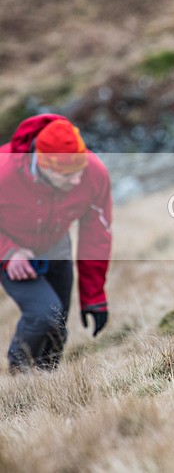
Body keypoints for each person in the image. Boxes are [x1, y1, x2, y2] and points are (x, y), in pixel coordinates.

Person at [0, 114, 112, 373]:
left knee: (58, 326)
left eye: (79, 170)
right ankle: (20, 379)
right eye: (67, 176)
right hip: (13, 252)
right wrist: (9, 252)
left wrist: (94, 297)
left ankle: (46, 389)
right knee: (44, 314)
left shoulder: (94, 174)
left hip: (55, 246)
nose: (76, 181)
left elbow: (96, 234)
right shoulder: (5, 170)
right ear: (44, 166)